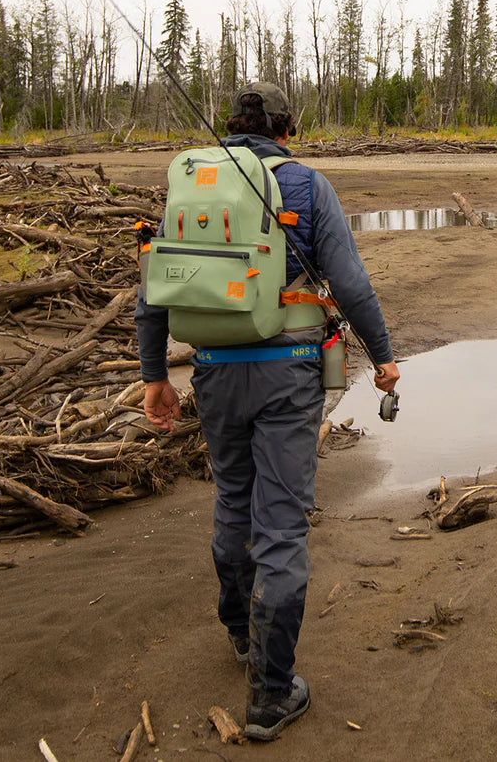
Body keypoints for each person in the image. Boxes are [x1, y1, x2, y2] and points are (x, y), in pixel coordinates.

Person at [135, 81, 399, 741]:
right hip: (288, 377)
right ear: (287, 128)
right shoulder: (307, 184)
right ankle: (271, 695)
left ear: (232, 126)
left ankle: (241, 639)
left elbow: (156, 287)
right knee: (280, 526)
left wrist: (152, 377)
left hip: (214, 373)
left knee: (232, 502)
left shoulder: (192, 183)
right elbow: (352, 283)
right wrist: (386, 356)